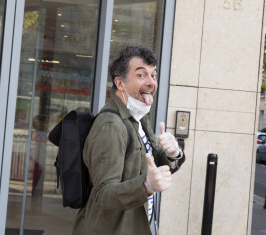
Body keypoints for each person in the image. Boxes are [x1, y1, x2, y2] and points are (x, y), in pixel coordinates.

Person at [73, 46, 185, 235]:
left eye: (154, 75)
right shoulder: (111, 126)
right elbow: (103, 194)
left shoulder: (139, 117)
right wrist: (145, 186)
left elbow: (152, 166)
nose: (151, 82)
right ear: (120, 83)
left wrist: (173, 153)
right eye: (141, 75)